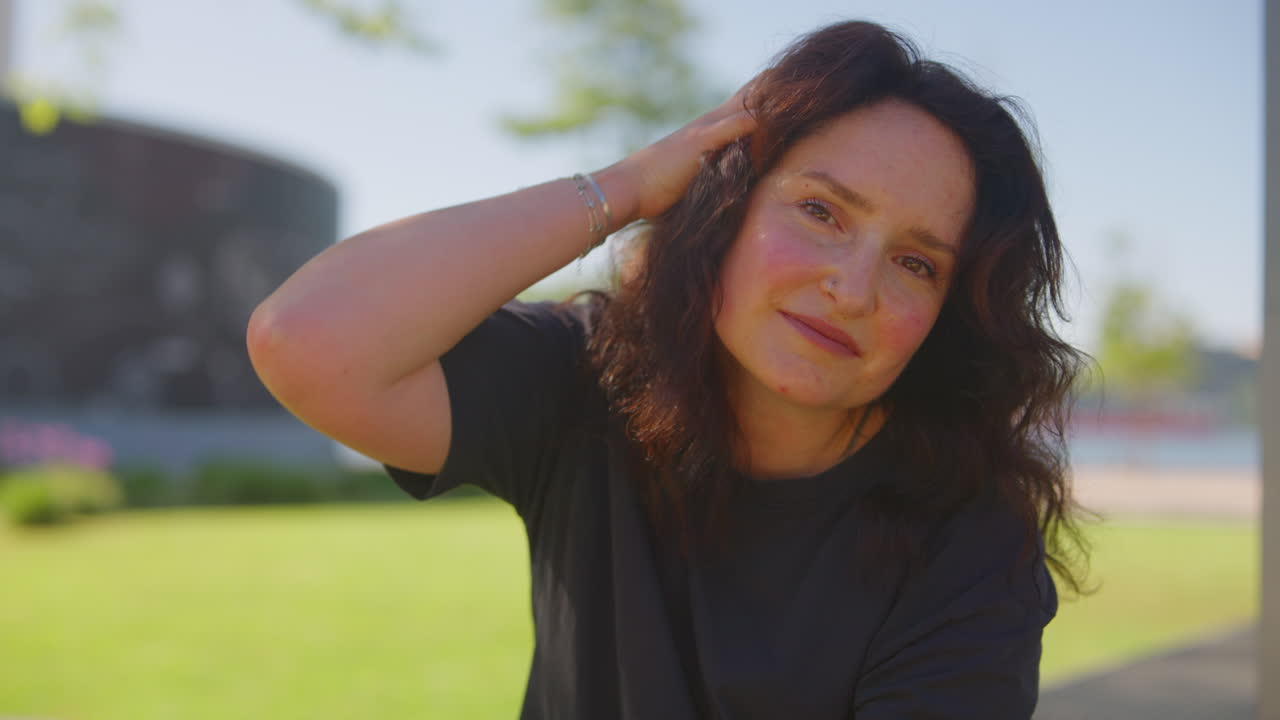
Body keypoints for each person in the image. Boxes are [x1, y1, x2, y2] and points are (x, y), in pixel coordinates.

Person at [247, 18, 1092, 719]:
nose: (853, 287)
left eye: (917, 264)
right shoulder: (589, 380)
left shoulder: (971, 538)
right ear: (724, 206)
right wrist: (630, 185)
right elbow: (306, 339)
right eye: (820, 210)